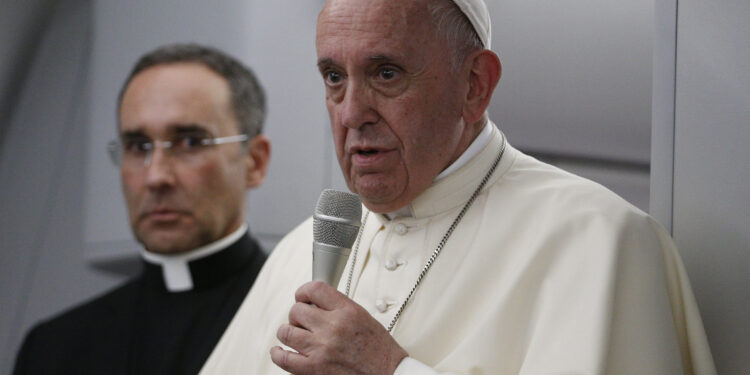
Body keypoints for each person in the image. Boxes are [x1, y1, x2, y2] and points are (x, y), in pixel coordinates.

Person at [201, 1, 717, 374]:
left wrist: (391, 371)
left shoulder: (600, 240)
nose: (352, 112)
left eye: (385, 72)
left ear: (474, 85)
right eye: (334, 77)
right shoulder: (298, 252)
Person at [13, 43, 271, 374]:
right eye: (138, 147)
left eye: (190, 142)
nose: (156, 176)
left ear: (255, 162)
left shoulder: (303, 330)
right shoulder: (55, 348)